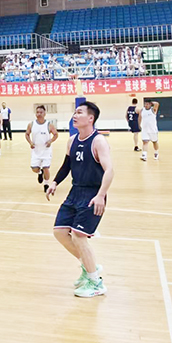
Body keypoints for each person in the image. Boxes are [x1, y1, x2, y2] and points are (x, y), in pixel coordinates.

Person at [47, 101, 114, 298]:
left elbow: (109, 170)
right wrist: (55, 182)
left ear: (90, 118)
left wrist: (101, 195)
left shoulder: (98, 141)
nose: (74, 115)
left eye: (79, 112)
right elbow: (66, 165)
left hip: (93, 193)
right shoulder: (72, 140)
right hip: (75, 192)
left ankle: (96, 283)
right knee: (59, 232)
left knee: (78, 236)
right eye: (74, 112)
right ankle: (89, 266)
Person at [25, 105, 58, 192]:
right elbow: (27, 134)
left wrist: (50, 141)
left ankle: (46, 184)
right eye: (37, 112)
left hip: (46, 150)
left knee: (46, 167)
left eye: (41, 112)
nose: (39, 114)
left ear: (44, 113)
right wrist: (30, 142)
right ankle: (40, 172)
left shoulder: (49, 125)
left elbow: (56, 134)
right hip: (36, 150)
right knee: (34, 169)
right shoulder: (31, 124)